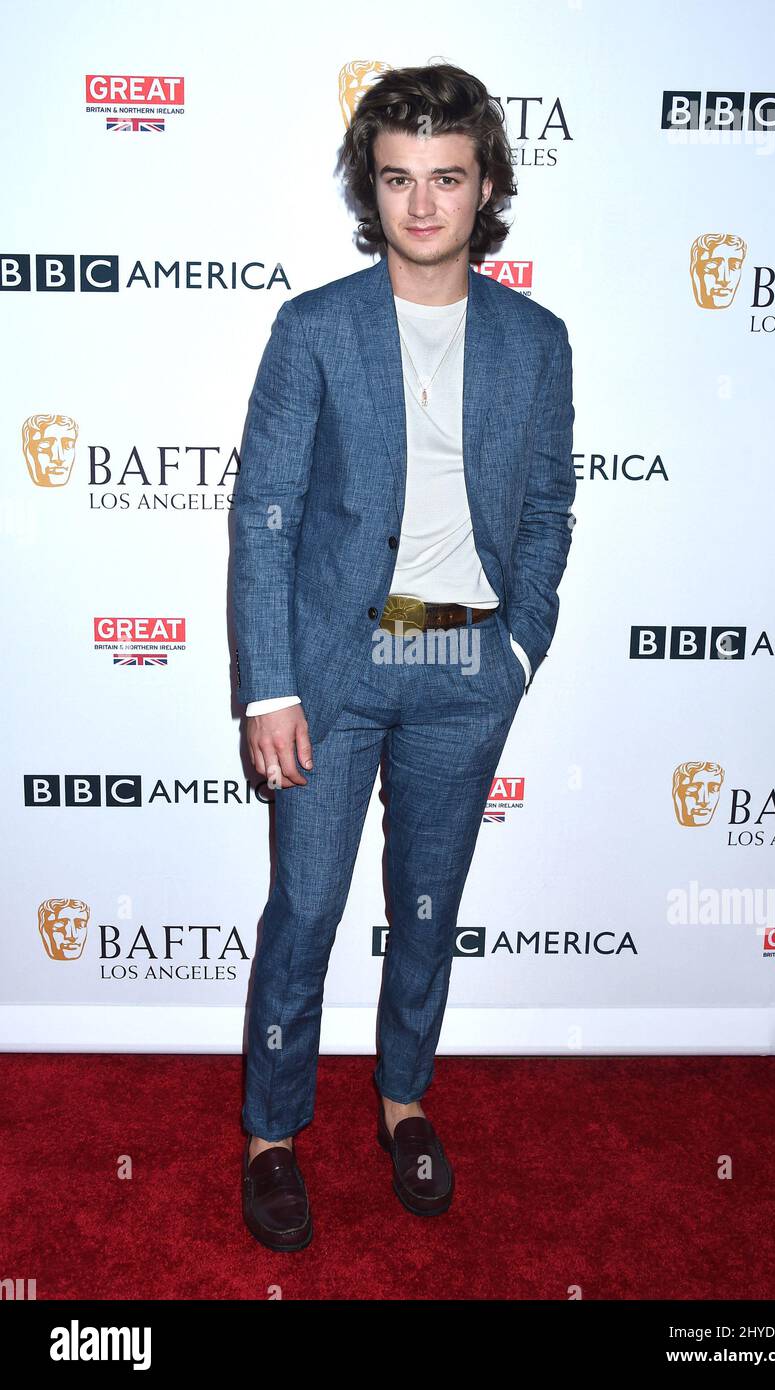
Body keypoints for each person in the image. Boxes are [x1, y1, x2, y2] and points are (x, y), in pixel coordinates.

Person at [231, 61, 576, 1251]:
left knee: (426, 911)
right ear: (367, 187)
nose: (421, 203)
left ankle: (402, 1102)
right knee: (309, 907)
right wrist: (268, 684)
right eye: (397, 179)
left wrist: (516, 652)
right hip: (332, 669)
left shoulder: (536, 340)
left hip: (463, 670)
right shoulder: (313, 329)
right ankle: (274, 1135)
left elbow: (546, 510)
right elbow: (264, 512)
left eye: (445, 177)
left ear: (485, 187)